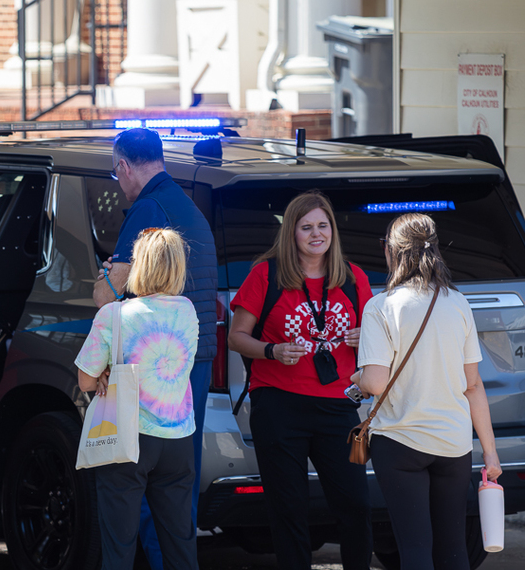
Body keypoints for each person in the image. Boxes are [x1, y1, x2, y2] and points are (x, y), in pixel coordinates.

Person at [227, 190, 373, 570]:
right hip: (279, 405)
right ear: (291, 232)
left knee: (357, 504)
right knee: (288, 509)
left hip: (339, 406)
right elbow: (236, 337)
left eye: (323, 225)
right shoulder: (266, 274)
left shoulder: (353, 278)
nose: (316, 234)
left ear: (333, 230)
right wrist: (271, 350)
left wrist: (367, 337)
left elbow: (380, 341)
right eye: (306, 227)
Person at [91, 127, 217, 567]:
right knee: (177, 500)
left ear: (124, 166)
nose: (118, 183)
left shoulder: (147, 208)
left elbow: (107, 294)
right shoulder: (187, 204)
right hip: (189, 361)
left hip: (147, 367)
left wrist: (106, 274)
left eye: (115, 173)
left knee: (140, 490)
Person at [353, 213, 501, 570]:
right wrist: (491, 454)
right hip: (453, 443)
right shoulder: (457, 302)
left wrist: (357, 378)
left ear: (390, 251)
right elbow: (473, 385)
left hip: (399, 441)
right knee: (453, 547)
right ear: (434, 250)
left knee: (415, 548)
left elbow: (375, 383)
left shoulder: (381, 306)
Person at [78, 228, 199, 569]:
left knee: (118, 550)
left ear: (138, 265)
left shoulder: (113, 315)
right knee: (180, 547)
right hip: (178, 439)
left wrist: (107, 371)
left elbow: (86, 380)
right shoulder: (187, 310)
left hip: (127, 438)